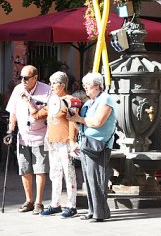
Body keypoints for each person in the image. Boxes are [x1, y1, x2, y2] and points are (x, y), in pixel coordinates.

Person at [67, 72, 116, 222]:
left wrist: (79, 118)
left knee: (97, 178)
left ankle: (100, 213)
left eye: (87, 86)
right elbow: (80, 123)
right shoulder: (89, 103)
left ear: (96, 85)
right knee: (88, 179)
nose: (85, 88)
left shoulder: (106, 99)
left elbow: (97, 122)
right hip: (87, 142)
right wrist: (73, 116)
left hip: (99, 144)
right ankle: (92, 210)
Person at [6, 65, 50, 215]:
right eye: (21, 77)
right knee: (25, 169)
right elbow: (12, 112)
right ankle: (29, 200)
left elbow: (45, 113)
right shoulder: (18, 89)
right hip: (23, 136)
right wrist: (10, 130)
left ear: (35, 78)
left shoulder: (46, 90)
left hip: (40, 135)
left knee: (40, 170)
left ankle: (39, 202)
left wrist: (28, 102)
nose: (23, 81)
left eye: (26, 78)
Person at [40, 71, 79, 218]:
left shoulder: (71, 100)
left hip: (65, 141)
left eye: (54, 83)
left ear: (62, 84)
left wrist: (71, 140)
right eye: (51, 83)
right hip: (52, 140)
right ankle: (55, 203)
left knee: (69, 173)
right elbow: (41, 113)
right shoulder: (52, 100)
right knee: (55, 173)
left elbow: (72, 121)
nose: (51, 86)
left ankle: (71, 204)